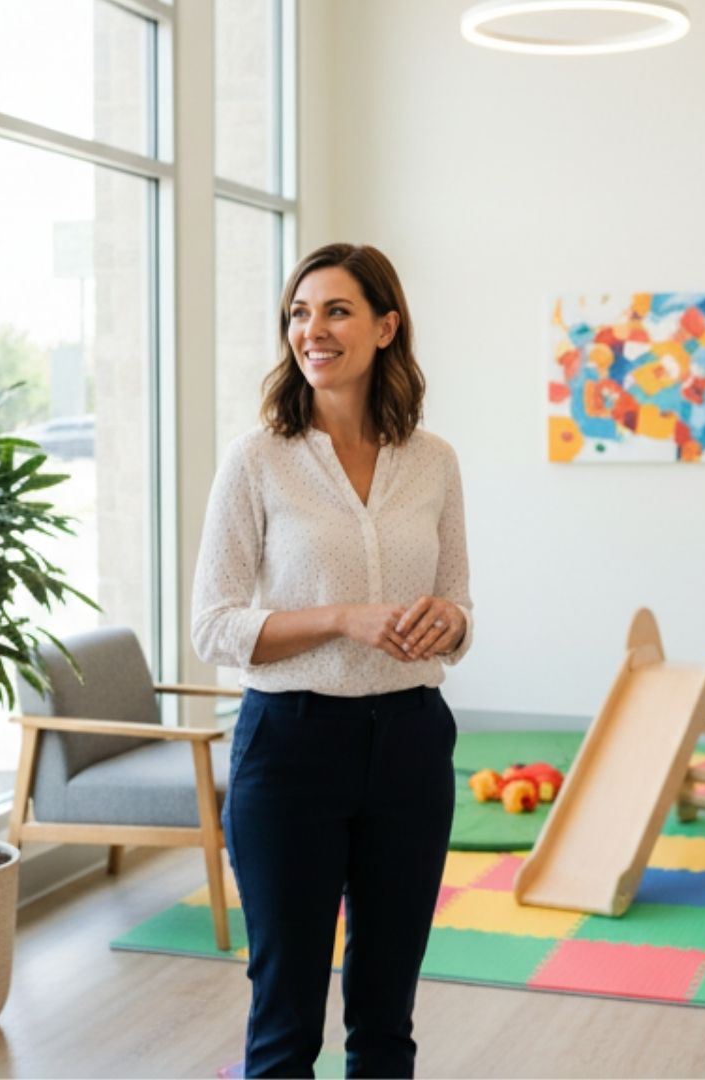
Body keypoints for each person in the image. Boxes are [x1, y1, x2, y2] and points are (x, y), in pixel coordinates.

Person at [192, 242, 471, 1078]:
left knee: (387, 1017)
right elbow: (214, 626)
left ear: (387, 327)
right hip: (291, 750)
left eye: (337, 310)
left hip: (414, 746)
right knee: (286, 1018)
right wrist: (342, 619)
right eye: (299, 313)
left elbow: (461, 606)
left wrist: (445, 623)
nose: (312, 330)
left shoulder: (435, 461)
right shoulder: (257, 458)